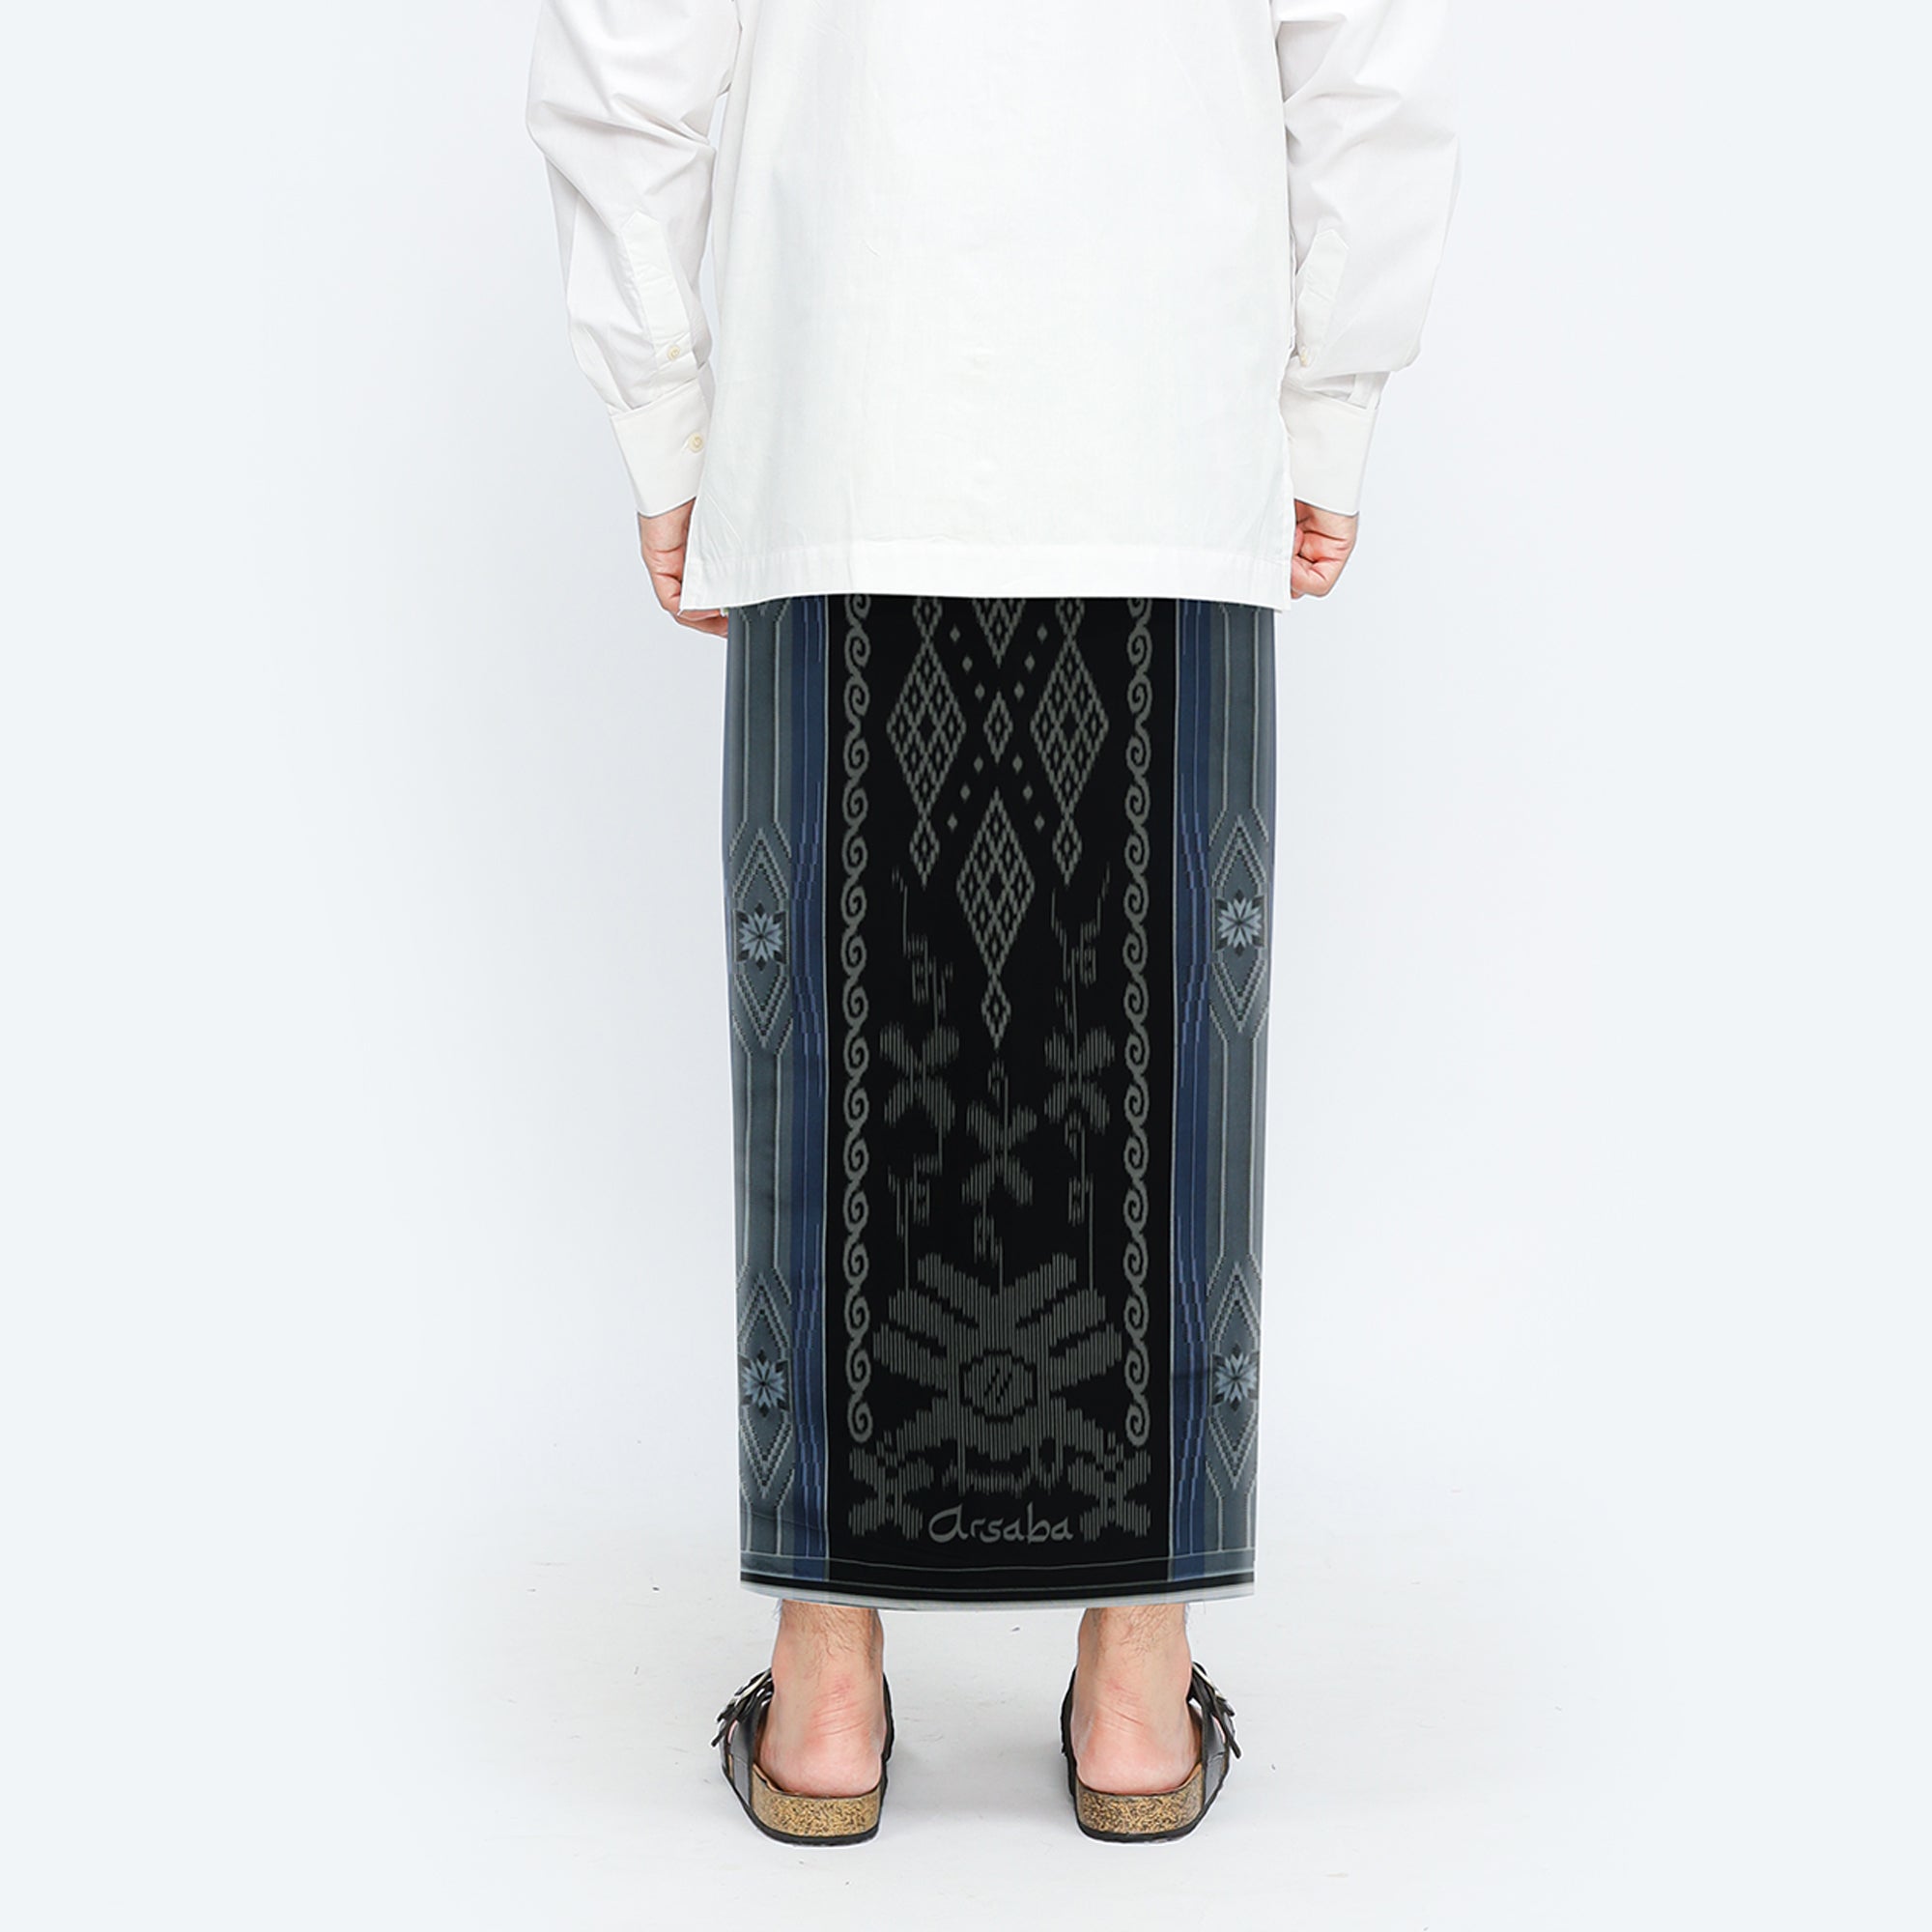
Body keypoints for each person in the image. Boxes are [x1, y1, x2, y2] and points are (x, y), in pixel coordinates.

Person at [525, 0, 1458, 1844]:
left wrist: (666, 411)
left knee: (829, 1061)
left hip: (843, 404)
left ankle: (824, 1699)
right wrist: (1329, 396)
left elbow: (626, 49)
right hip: (1160, 406)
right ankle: (1136, 1699)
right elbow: (1370, 46)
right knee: (1169, 1059)